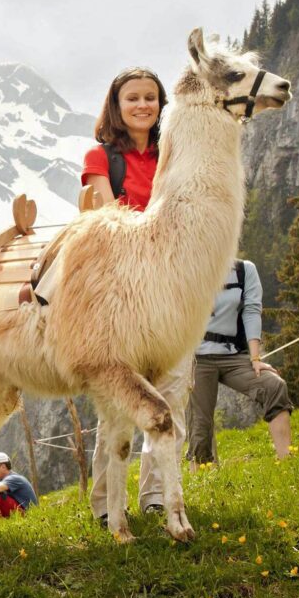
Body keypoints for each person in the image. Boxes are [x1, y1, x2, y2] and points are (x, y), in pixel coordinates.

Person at [79, 67, 192, 523]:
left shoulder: (175, 155)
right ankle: (108, 504)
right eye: (133, 98)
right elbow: (109, 215)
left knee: (172, 395)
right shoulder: (101, 157)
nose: (143, 105)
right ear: (116, 106)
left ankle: (157, 495)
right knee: (121, 401)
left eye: (151, 97)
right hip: (124, 292)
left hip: (172, 289)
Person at [187, 259, 293, 467]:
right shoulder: (188, 269)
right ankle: (205, 482)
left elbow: (252, 311)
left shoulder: (245, 270)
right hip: (197, 358)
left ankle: (288, 463)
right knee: (201, 423)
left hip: (234, 354)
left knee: (274, 386)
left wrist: (255, 358)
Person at [0, 452, 38, 517]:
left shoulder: (14, 478)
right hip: (18, 510)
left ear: (3, 467)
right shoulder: (1, 480)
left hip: (28, 514)